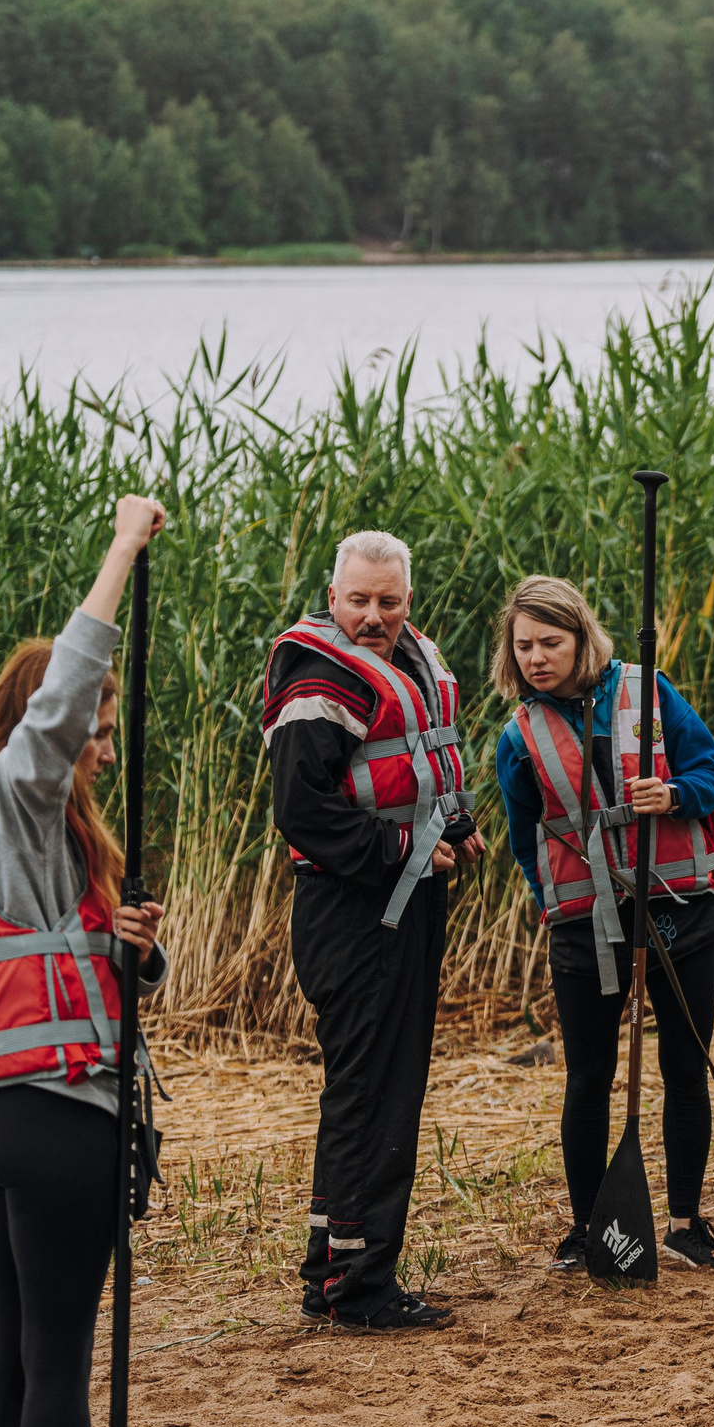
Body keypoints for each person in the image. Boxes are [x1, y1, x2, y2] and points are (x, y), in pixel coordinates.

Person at [0, 492, 169, 1427]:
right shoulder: (15, 799)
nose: (103, 751)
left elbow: (61, 967)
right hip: (57, 1115)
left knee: (17, 1359)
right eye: (94, 734)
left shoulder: (2, 824)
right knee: (60, 1367)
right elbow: (66, 691)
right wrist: (123, 547)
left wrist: (131, 952)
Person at [263, 529, 484, 1331]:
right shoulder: (317, 678)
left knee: (383, 1090)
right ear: (333, 598)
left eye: (388, 602)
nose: (373, 617)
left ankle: (332, 1272)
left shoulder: (411, 662)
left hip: (406, 902)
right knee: (369, 1096)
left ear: (407, 601)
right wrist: (398, 850)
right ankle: (358, 1288)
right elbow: (302, 809)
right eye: (357, 600)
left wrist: (454, 828)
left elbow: (411, 769)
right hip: (350, 909)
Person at [493, 575, 714, 1273]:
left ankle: (686, 1224)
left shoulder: (650, 691)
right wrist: (555, 903)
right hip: (585, 924)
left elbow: (712, 772)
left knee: (684, 1067)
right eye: (524, 646)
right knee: (588, 1078)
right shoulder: (518, 737)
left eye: (550, 642)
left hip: (677, 910)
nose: (536, 657)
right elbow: (525, 839)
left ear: (582, 638)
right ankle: (586, 1229)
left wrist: (674, 793)